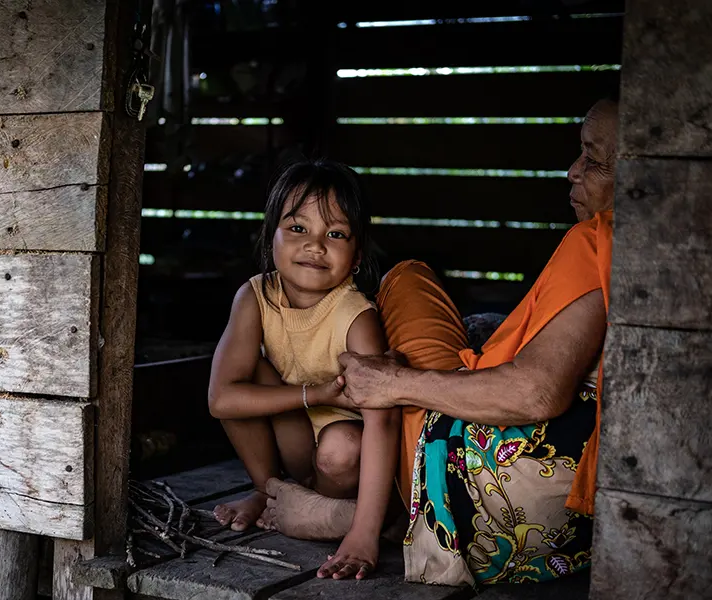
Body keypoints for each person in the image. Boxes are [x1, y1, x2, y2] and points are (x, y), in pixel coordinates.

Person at [262, 98, 619, 585]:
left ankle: (372, 517)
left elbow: (536, 391)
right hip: (568, 536)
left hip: (474, 492)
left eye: (594, 160)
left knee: (408, 278)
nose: (573, 171)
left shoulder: (601, 237)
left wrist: (396, 382)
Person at [208, 159, 401, 580]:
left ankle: (340, 515)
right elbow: (221, 398)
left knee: (341, 444)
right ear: (270, 235)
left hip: (345, 461)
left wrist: (364, 535)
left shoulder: (355, 315)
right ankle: (270, 492)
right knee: (248, 375)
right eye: (298, 228)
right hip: (296, 439)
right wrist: (314, 394)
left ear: (357, 255)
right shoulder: (256, 296)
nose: (315, 245)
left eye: (335, 234)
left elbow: (383, 422)